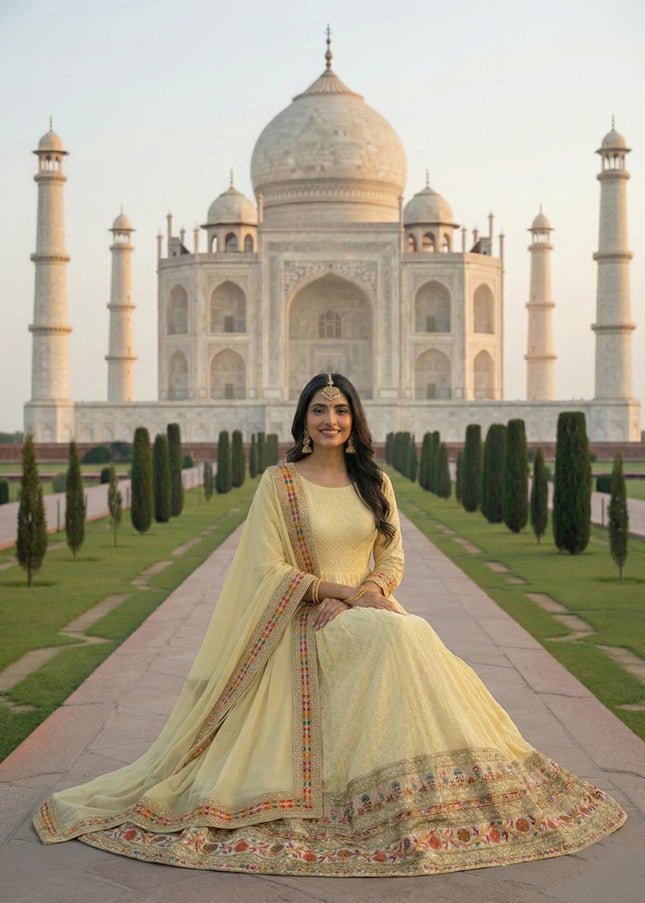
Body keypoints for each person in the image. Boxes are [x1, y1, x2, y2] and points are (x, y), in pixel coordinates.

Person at [34, 373, 625, 876]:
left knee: (409, 634)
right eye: (320, 410)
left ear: (354, 418)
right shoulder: (279, 483)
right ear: (303, 418)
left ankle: (420, 791)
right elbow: (267, 568)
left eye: (341, 410)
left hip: (364, 608)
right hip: (304, 618)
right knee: (405, 634)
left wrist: (366, 591)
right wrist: (334, 591)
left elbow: (391, 557)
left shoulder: (376, 481)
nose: (330, 419)